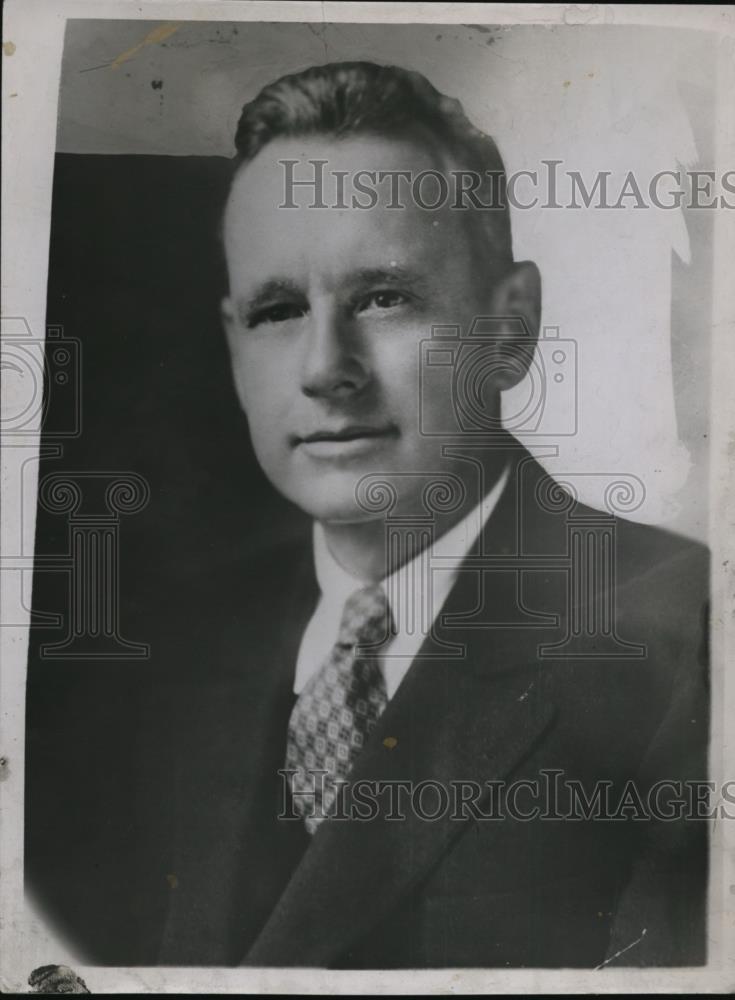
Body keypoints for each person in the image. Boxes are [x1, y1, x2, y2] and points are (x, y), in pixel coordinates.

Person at [27, 61, 710, 969]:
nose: (323, 367)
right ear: (233, 347)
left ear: (511, 327)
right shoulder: (162, 655)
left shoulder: (685, 646)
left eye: (384, 296)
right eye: (276, 310)